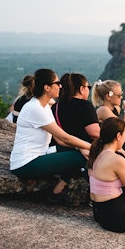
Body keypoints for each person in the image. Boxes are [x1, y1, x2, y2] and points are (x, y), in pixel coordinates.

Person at [10, 69, 92, 206]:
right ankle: (61, 193)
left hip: (39, 155)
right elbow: (64, 138)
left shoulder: (44, 106)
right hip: (27, 163)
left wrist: (80, 147)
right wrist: (91, 147)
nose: (60, 86)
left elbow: (59, 140)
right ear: (47, 87)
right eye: (57, 83)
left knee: (82, 153)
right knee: (82, 157)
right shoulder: (35, 108)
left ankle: (57, 191)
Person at [51, 73, 99, 144]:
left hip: (64, 148)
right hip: (84, 148)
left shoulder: (55, 107)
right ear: (81, 89)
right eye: (88, 87)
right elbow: (94, 133)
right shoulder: (85, 106)